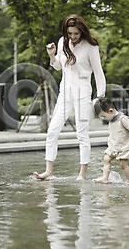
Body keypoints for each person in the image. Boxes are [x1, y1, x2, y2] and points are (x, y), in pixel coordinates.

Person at [33, 14, 106, 181]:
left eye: (76, 34)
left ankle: (82, 174)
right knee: (52, 130)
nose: (72, 37)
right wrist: (52, 55)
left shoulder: (90, 46)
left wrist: (100, 97)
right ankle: (48, 171)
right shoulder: (62, 42)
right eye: (70, 33)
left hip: (83, 93)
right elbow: (58, 66)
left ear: (82, 31)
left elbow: (98, 73)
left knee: (82, 134)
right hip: (65, 93)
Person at [92, 98, 129, 184]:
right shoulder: (111, 119)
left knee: (123, 164)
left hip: (125, 146)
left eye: (104, 116)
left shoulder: (123, 119)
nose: (104, 119)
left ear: (111, 111)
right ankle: (105, 178)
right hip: (114, 145)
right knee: (106, 159)